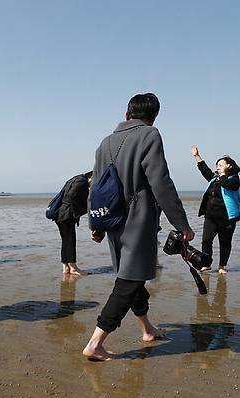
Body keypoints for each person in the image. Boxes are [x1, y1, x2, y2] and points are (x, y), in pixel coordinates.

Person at [82, 93, 194, 361]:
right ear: (153, 116)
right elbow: (161, 182)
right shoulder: (150, 135)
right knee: (129, 280)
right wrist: (182, 224)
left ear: (126, 115)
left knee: (133, 278)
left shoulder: (105, 142)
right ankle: (95, 343)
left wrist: (95, 224)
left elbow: (95, 187)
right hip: (138, 221)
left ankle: (147, 330)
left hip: (111, 221)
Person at [190, 145, 240, 274]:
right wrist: (197, 156)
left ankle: (222, 266)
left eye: (220, 165)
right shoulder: (214, 179)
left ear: (229, 166)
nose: (217, 167)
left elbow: (228, 185)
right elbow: (204, 170)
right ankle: (206, 264)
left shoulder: (234, 179)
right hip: (210, 217)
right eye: (217, 165)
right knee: (206, 241)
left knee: (225, 243)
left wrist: (223, 174)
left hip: (227, 219)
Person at [55, 172, 93, 276]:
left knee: (66, 241)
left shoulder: (75, 179)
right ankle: (73, 268)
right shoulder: (81, 181)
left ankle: (66, 267)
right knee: (70, 240)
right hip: (66, 215)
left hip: (61, 214)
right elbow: (71, 196)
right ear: (91, 177)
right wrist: (79, 210)